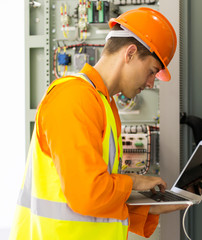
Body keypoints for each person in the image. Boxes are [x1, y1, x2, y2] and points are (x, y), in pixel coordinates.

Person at [10, 7, 186, 240]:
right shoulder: (74, 98)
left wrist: (149, 207)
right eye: (152, 71)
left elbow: (92, 204)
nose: (151, 83)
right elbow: (88, 195)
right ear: (130, 53)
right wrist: (134, 181)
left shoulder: (102, 102)